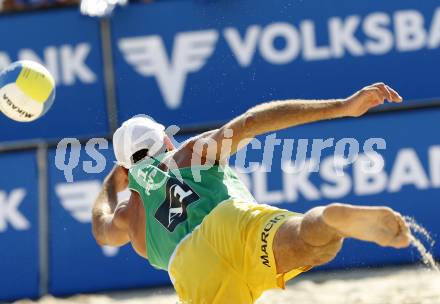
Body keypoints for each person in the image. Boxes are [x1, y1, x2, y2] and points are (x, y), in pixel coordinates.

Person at [92, 82, 411, 303]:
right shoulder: (188, 154)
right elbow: (250, 122)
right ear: (166, 142)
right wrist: (342, 106)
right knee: (313, 243)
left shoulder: (128, 217)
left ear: (125, 169)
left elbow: (100, 228)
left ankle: (331, 223)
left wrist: (111, 184)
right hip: (229, 223)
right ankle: (329, 220)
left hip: (193, 270)